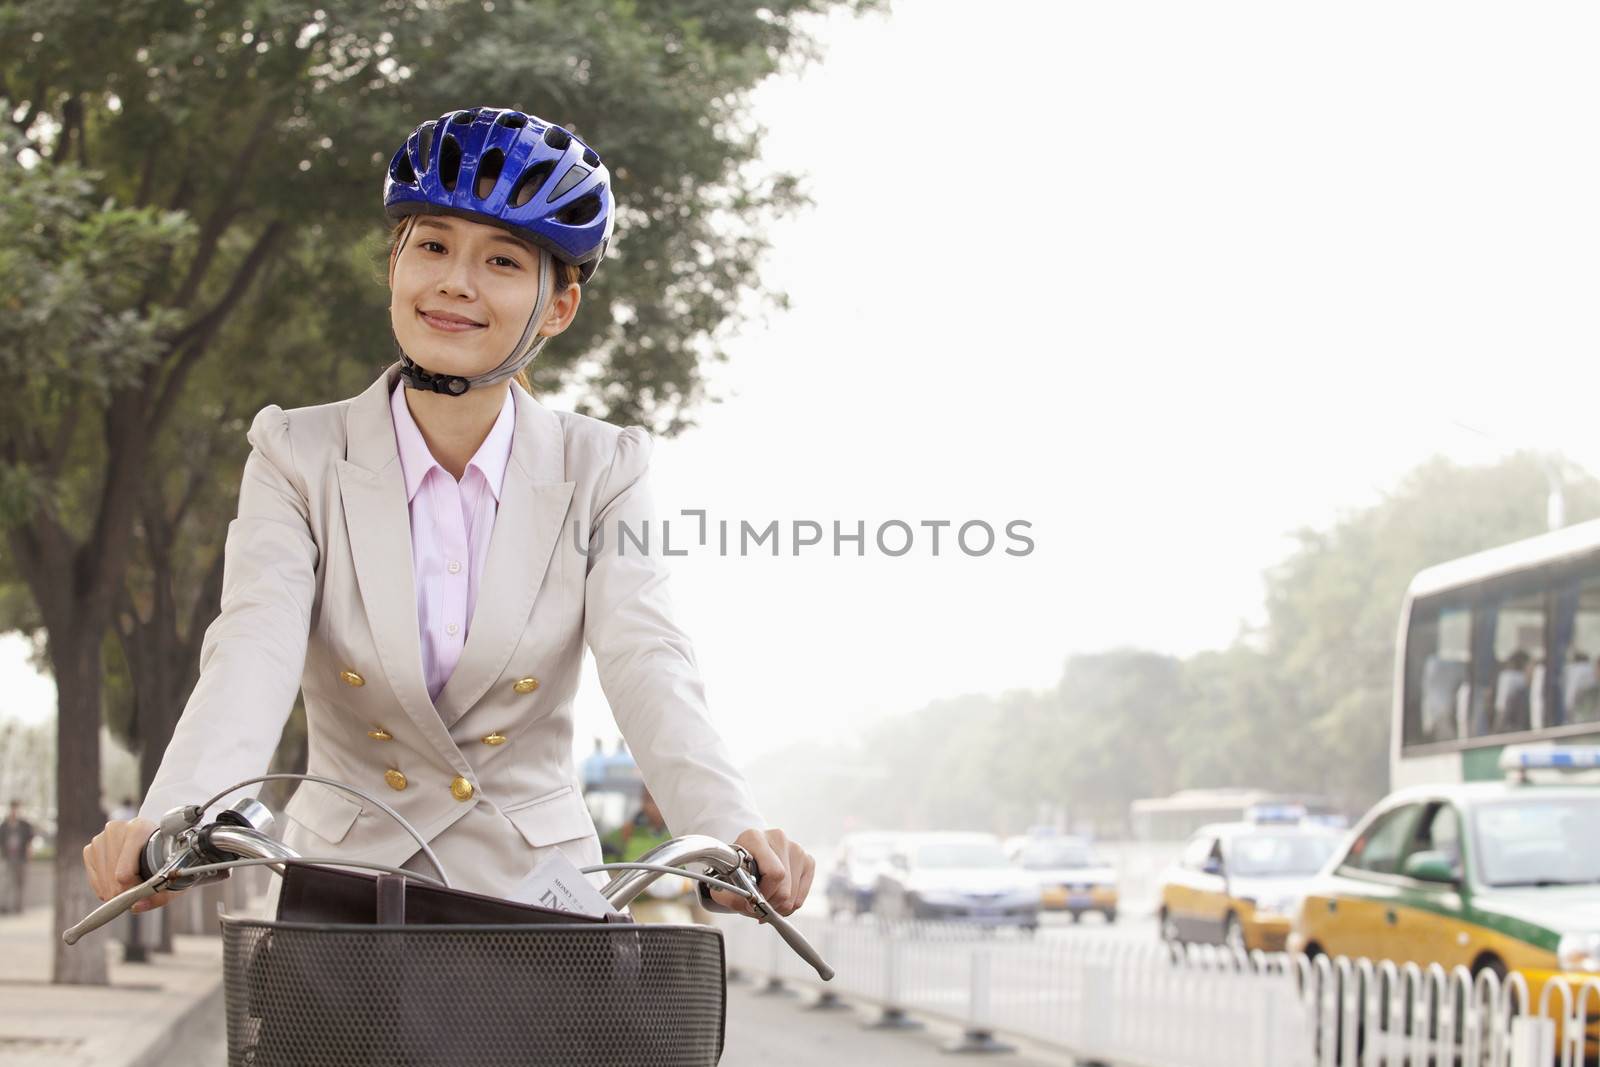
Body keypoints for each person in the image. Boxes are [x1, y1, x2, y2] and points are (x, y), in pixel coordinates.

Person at [81, 105, 813, 921]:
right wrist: (175, 818)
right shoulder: (294, 451)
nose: (457, 282)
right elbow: (253, 644)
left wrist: (729, 832)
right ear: (394, 265)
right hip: (346, 892)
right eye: (432, 245)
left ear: (559, 306)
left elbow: (649, 656)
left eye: (502, 260)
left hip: (537, 898)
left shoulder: (604, 467)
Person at [2, 801, 34, 913]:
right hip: (9, 857)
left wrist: (29, 851)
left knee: (20, 883)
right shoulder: (5, 825)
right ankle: (5, 906)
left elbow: (30, 840)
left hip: (21, 857)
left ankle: (18, 907)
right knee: (7, 882)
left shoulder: (25, 825)